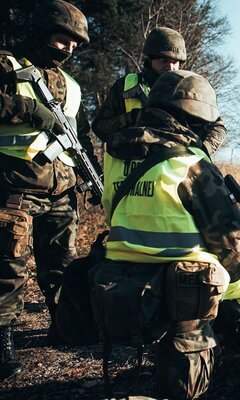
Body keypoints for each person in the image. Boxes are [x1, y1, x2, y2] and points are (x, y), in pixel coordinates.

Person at [100, 70, 240, 399]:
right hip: (181, 292)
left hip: (121, 286)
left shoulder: (114, 155)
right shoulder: (190, 163)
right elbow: (235, 248)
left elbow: (112, 213)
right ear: (194, 117)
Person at [0, 0, 99, 380]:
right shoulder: (7, 65)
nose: (69, 49)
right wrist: (27, 108)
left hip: (61, 192)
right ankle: (3, 341)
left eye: (75, 43)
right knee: (8, 268)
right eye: (63, 40)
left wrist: (90, 177)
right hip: (14, 188)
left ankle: (64, 326)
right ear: (42, 32)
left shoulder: (71, 86)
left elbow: (81, 137)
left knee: (61, 266)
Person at [92, 27, 227, 158]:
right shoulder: (125, 86)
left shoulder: (190, 88)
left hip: (176, 172)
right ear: (150, 59)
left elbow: (218, 127)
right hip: (129, 174)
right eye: (163, 60)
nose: (170, 67)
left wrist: (202, 152)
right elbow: (100, 128)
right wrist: (133, 118)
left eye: (175, 62)